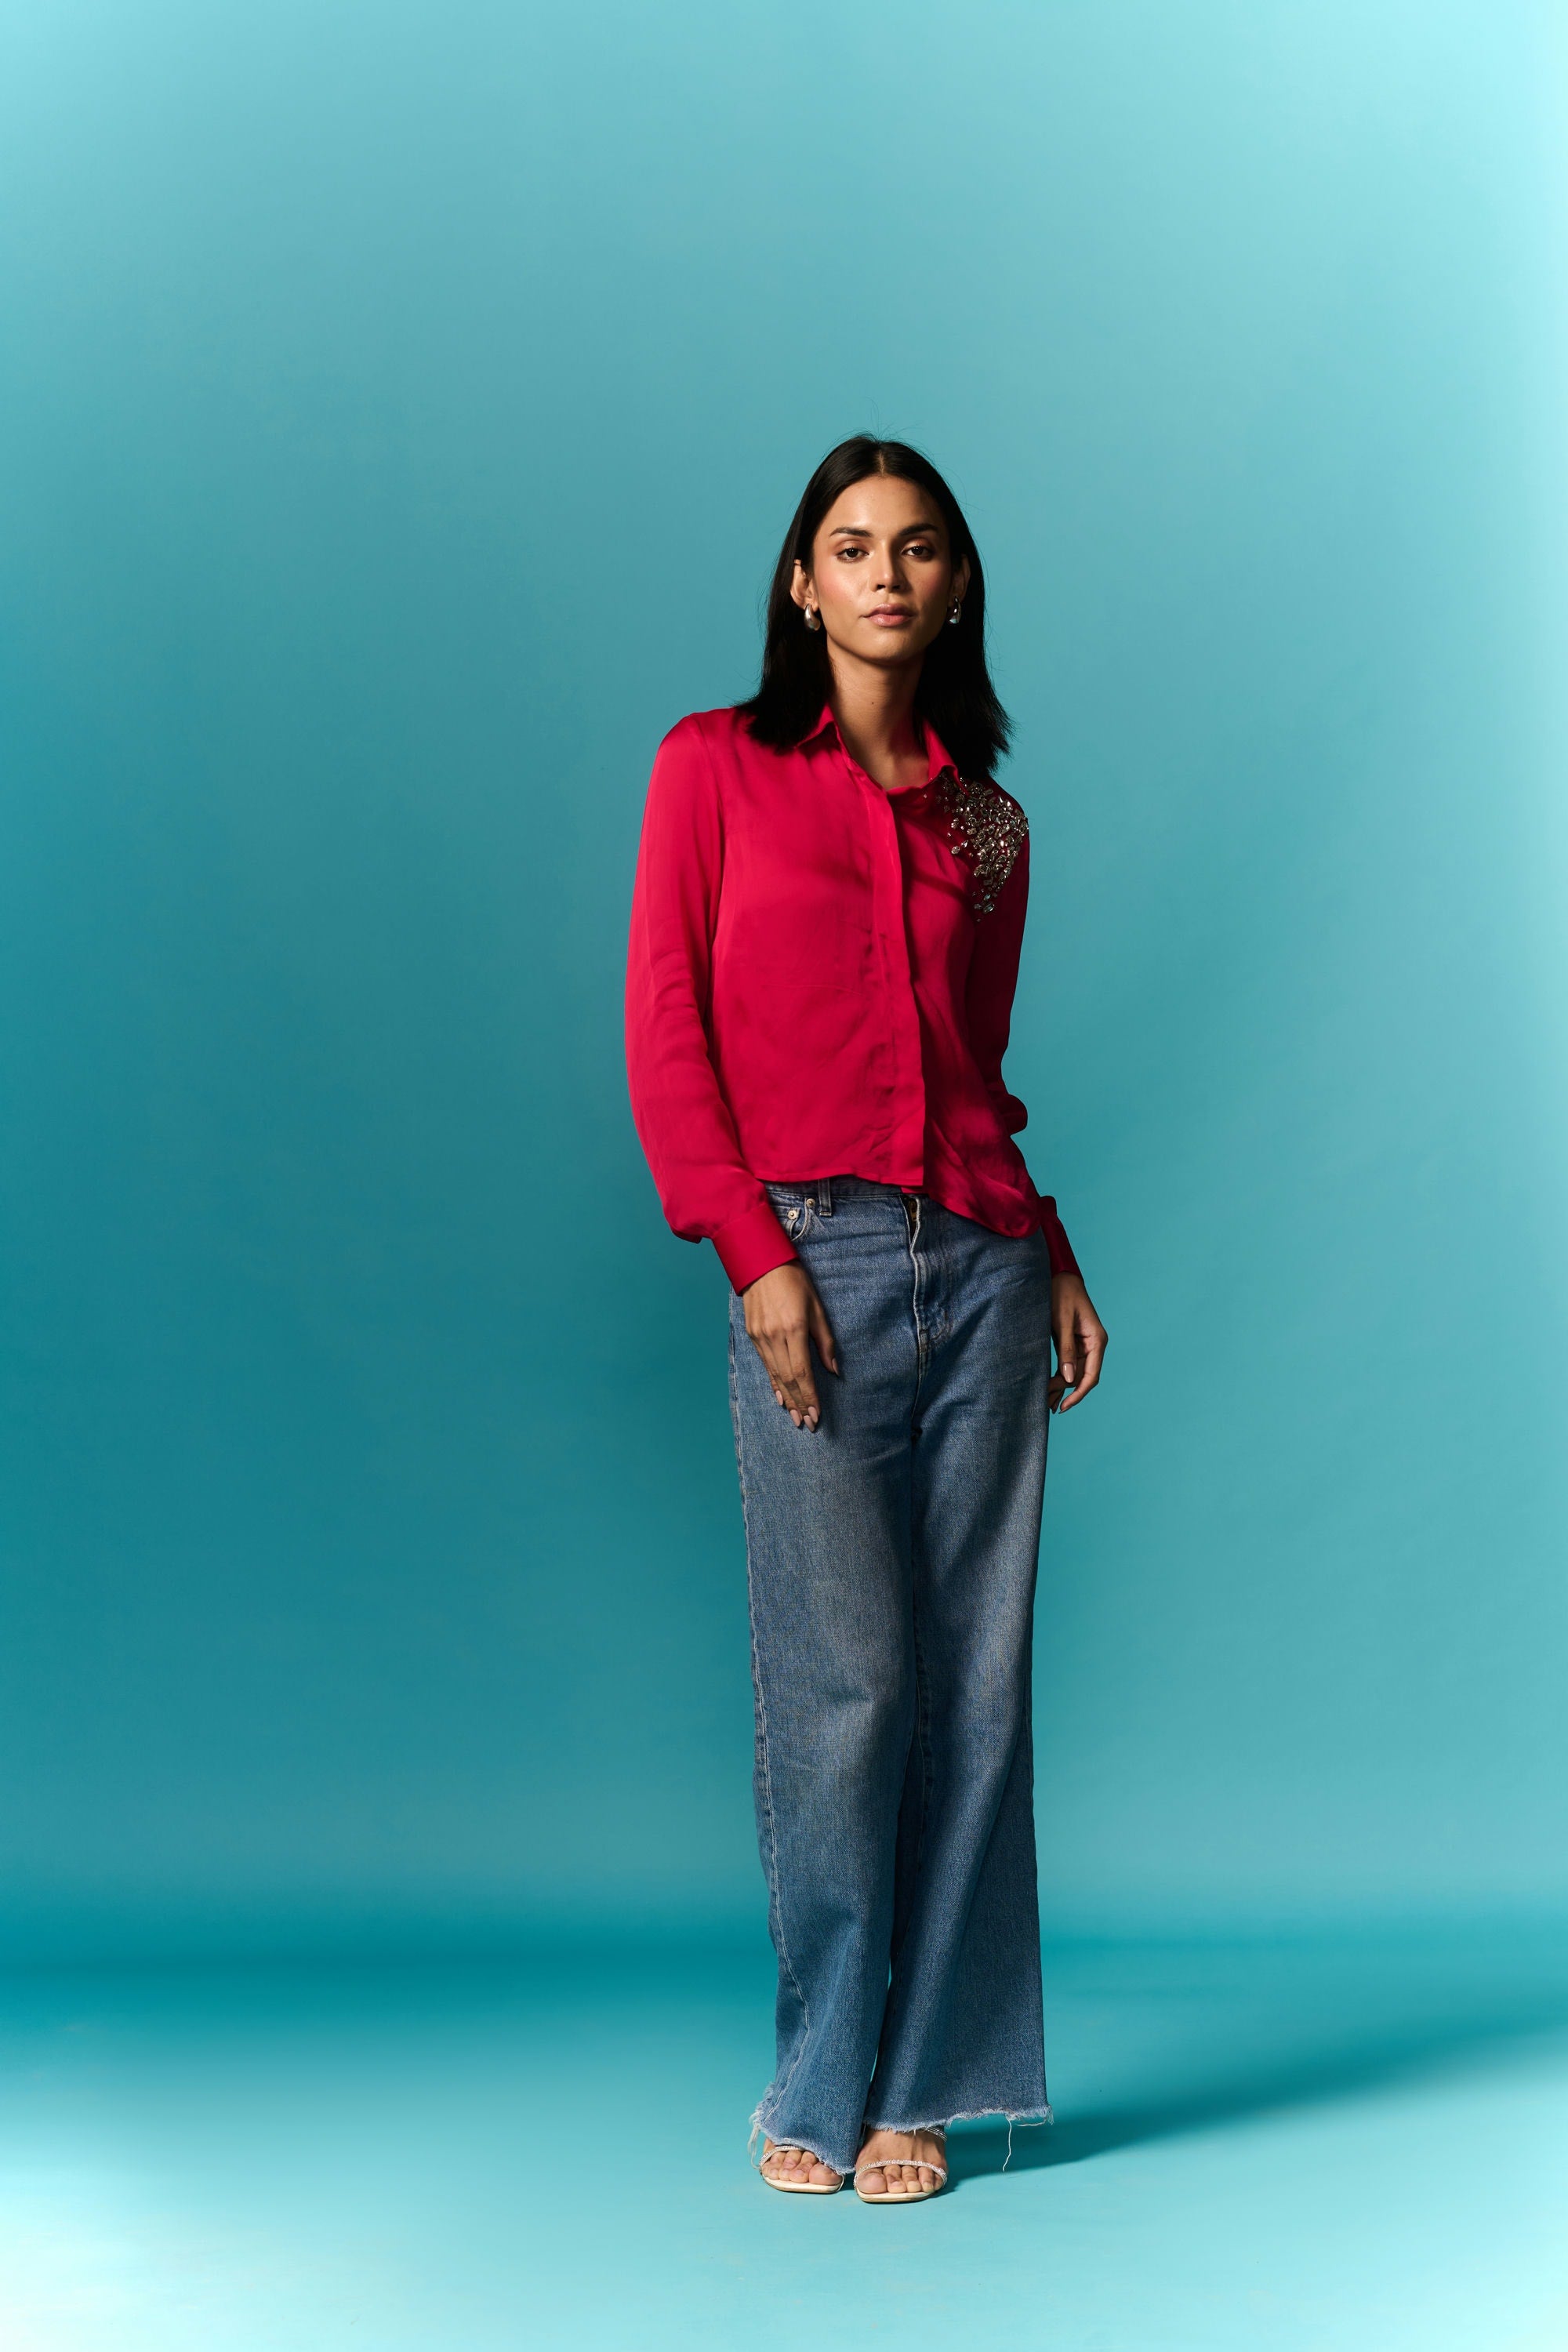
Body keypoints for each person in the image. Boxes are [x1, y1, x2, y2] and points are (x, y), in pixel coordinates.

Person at [623, 436, 1108, 2205]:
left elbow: (977, 1075)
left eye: (916, 548)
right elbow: (667, 1038)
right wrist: (751, 1253)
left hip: (981, 1269)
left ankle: (927, 2087)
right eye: (850, 546)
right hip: (809, 1261)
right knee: (847, 1686)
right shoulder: (715, 770)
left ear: (954, 584)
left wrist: (1045, 1243)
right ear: (799, 583)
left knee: (973, 1694)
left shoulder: (987, 825)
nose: (885, 574)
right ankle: (815, 2080)